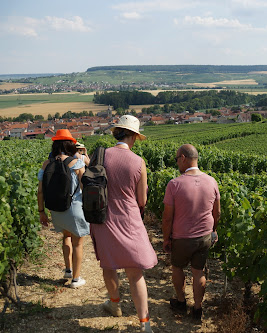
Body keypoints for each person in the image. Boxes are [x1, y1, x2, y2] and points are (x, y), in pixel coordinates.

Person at [89, 115, 157, 332]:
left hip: (102, 217)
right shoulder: (138, 162)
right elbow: (142, 200)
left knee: (108, 264)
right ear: (135, 137)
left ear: (116, 132)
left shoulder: (99, 156)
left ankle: (115, 304)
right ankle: (144, 325)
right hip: (128, 219)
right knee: (135, 273)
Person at [162, 144, 220, 321]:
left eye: (176, 159)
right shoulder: (212, 181)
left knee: (177, 268)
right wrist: (213, 231)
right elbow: (217, 213)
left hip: (182, 238)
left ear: (183, 158)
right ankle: (198, 309)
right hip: (204, 237)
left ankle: (181, 302)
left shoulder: (174, 184)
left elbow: (167, 218)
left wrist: (166, 239)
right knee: (198, 272)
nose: (177, 163)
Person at [37, 129, 89, 288]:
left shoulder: (46, 164)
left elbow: (40, 191)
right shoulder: (77, 163)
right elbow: (84, 187)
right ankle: (76, 279)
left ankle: (68, 270)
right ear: (70, 145)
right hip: (74, 208)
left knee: (66, 237)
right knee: (78, 243)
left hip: (56, 209)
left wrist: (41, 212)